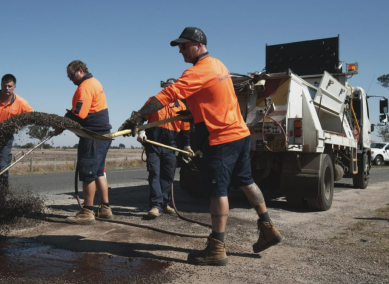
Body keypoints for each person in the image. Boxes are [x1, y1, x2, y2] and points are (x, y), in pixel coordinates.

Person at [119, 27, 282, 266]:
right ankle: (268, 227)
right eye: (179, 47)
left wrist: (138, 116)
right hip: (239, 134)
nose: (181, 50)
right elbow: (210, 99)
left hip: (222, 139)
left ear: (197, 44)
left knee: (218, 191)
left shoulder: (198, 71)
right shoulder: (219, 65)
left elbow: (167, 95)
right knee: (246, 182)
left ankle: (217, 247)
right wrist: (192, 113)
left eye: (184, 46)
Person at [55, 60, 113, 225]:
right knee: (99, 172)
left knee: (88, 173)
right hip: (102, 136)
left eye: (71, 75)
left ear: (80, 71)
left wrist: (62, 124)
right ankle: (105, 208)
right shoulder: (95, 82)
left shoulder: (85, 86)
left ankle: (87, 211)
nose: (70, 79)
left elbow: (79, 114)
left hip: (92, 136)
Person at [137, 78, 193, 218]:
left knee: (168, 176)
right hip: (154, 144)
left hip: (170, 146)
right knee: (154, 174)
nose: (169, 91)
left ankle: (164, 203)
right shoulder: (154, 102)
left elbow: (185, 129)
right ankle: (155, 205)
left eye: (172, 88)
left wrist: (187, 145)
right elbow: (139, 117)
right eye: (167, 88)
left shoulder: (181, 107)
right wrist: (141, 131)